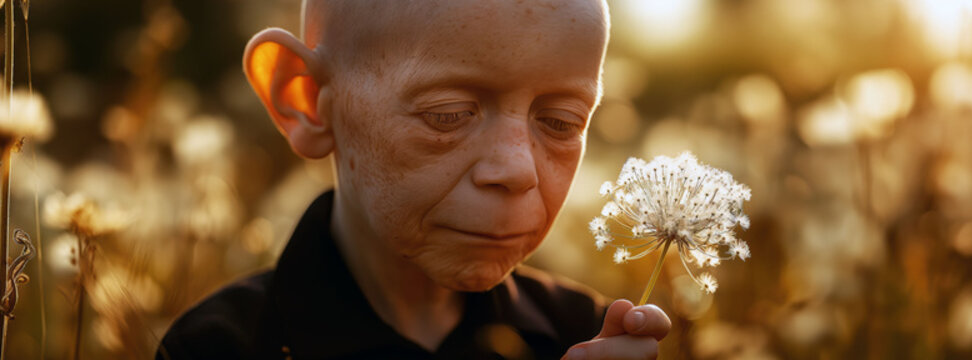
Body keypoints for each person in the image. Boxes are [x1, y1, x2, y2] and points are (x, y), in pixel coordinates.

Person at [157, 0, 671, 358]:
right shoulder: (218, 347)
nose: (517, 170)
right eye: (448, 113)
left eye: (561, 122)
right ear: (306, 101)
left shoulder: (586, 336)